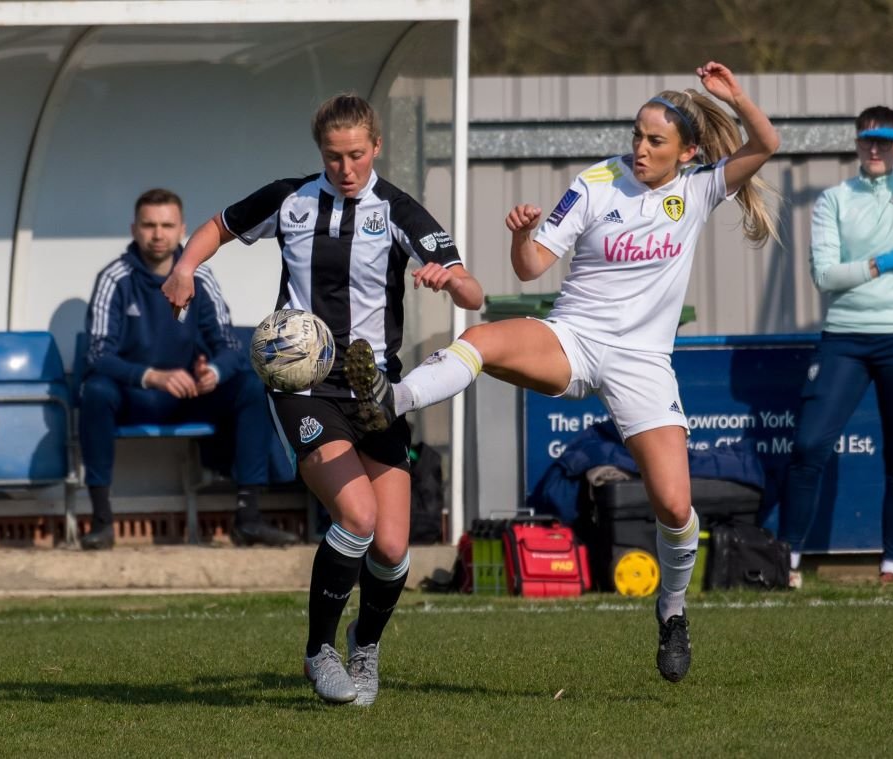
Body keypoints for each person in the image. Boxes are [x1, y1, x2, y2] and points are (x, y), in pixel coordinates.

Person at [344, 61, 781, 683]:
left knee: (675, 506)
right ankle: (393, 399)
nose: (640, 148)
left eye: (655, 140)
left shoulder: (703, 187)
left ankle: (673, 610)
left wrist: (735, 96)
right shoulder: (597, 182)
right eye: (637, 134)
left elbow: (768, 145)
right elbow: (529, 270)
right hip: (573, 337)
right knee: (483, 338)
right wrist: (523, 238)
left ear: (687, 152)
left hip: (643, 362)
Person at [161, 93, 484, 706]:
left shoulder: (396, 210)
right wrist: (184, 268)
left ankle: (367, 643)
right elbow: (219, 227)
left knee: (392, 547)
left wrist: (451, 279)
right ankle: (319, 650)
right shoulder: (291, 199)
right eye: (333, 157)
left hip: (375, 389)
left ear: (376, 147)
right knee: (357, 518)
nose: (345, 167)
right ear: (320, 154)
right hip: (301, 383)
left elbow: (472, 290)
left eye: (356, 155)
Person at [779, 106, 893, 588]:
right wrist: (881, 264)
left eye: (886, 141)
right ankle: (788, 561)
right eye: (868, 140)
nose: (876, 149)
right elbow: (824, 276)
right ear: (857, 144)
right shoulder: (834, 200)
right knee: (808, 446)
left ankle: (892, 568)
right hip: (844, 337)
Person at [79, 189, 298, 551]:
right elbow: (97, 354)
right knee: (97, 391)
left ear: (182, 229)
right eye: (149, 225)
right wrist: (153, 376)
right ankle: (102, 521)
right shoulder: (114, 278)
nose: (158, 234)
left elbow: (228, 346)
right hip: (138, 395)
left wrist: (212, 372)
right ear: (134, 229)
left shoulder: (201, 275)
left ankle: (249, 518)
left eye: (167, 225)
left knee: (247, 385)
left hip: (189, 395)